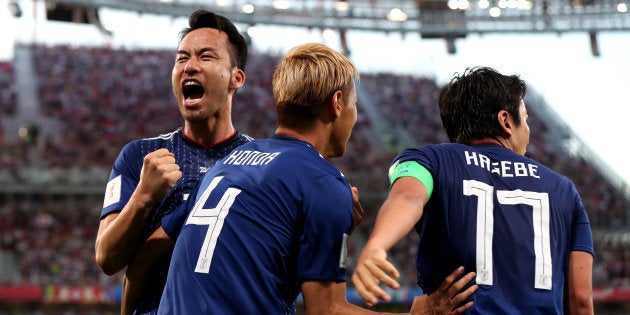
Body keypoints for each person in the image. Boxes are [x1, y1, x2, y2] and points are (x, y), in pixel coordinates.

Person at [123, 42, 477, 314]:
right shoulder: (323, 183)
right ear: (337, 104)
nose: (354, 117)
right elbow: (327, 309)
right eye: (353, 105)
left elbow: (145, 254)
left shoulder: (228, 162)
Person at [351, 66, 594, 314]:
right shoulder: (564, 189)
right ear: (506, 121)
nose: (529, 131)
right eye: (526, 118)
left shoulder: (427, 160)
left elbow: (409, 196)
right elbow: (581, 299)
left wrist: (377, 245)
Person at [94, 10, 252, 314]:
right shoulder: (140, 156)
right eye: (182, 58)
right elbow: (106, 258)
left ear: (237, 77)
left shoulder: (258, 164)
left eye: (206, 57)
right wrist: (143, 197)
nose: (190, 66)